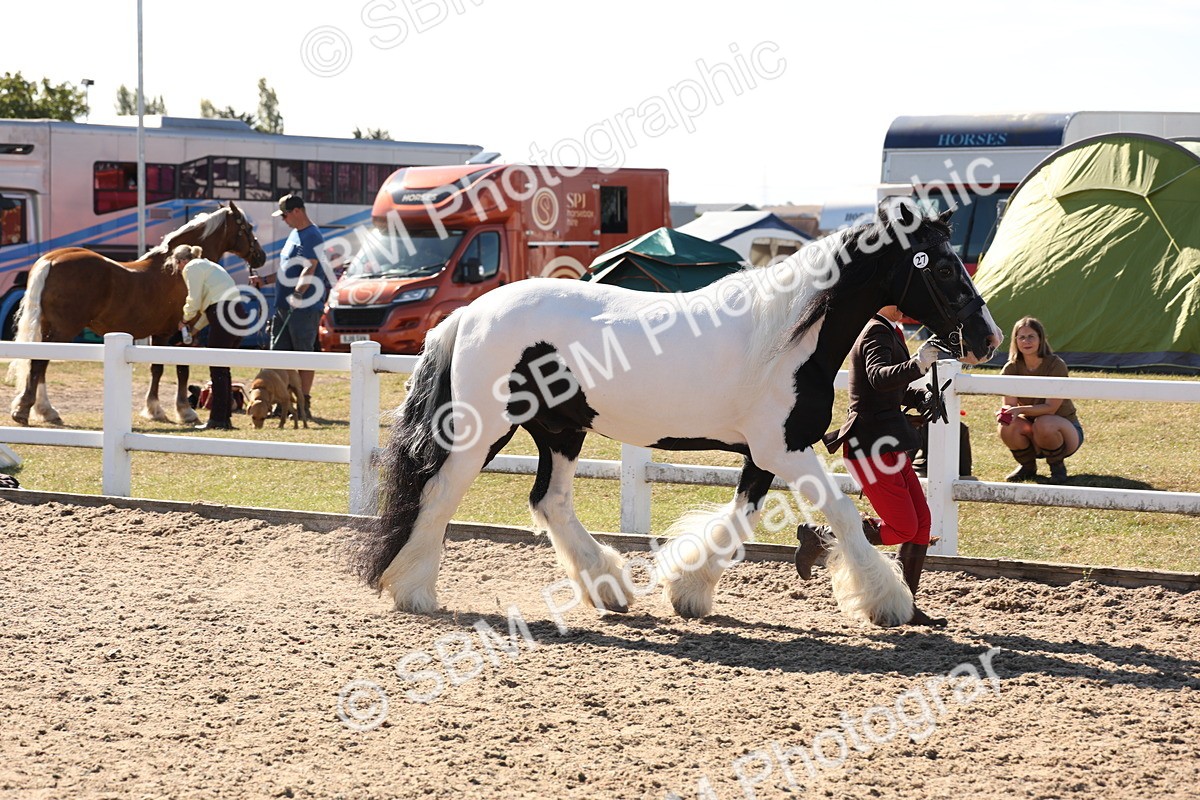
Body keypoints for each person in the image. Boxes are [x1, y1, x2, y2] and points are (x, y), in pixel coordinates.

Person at [795, 305, 947, 627]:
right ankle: (822, 537)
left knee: (920, 524)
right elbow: (879, 378)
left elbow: (888, 390)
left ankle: (903, 607)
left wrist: (918, 398)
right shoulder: (876, 332)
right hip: (870, 447)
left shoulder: (889, 330)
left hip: (888, 443)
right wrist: (918, 364)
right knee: (905, 527)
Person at [250, 194, 330, 414]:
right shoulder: (295, 235)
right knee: (279, 355)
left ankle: (304, 404)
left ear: (297, 211)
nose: (283, 220)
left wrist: (298, 293)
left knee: (303, 355)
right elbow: (288, 269)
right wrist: (264, 280)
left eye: (285, 215)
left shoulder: (312, 235)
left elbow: (309, 268)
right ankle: (282, 402)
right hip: (284, 306)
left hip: (303, 307)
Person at [997, 316, 1083, 483]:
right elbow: (1010, 406)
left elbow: (1050, 408)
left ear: (1041, 339)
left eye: (1031, 336)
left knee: (1045, 422)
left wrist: (1020, 410)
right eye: (1021, 337)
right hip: (1032, 430)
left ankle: (1057, 468)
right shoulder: (1011, 367)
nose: (1026, 341)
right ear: (1015, 341)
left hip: (1064, 431)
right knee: (1007, 425)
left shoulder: (1055, 364)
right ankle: (1027, 467)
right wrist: (1006, 413)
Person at [174, 245, 245, 431]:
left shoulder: (191, 267)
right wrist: (195, 330)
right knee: (223, 369)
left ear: (181, 261)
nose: (180, 270)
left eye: (178, 266)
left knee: (217, 369)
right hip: (236, 314)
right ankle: (224, 419)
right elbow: (210, 307)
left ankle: (217, 420)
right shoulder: (208, 266)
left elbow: (194, 300)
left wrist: (184, 320)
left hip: (222, 314)